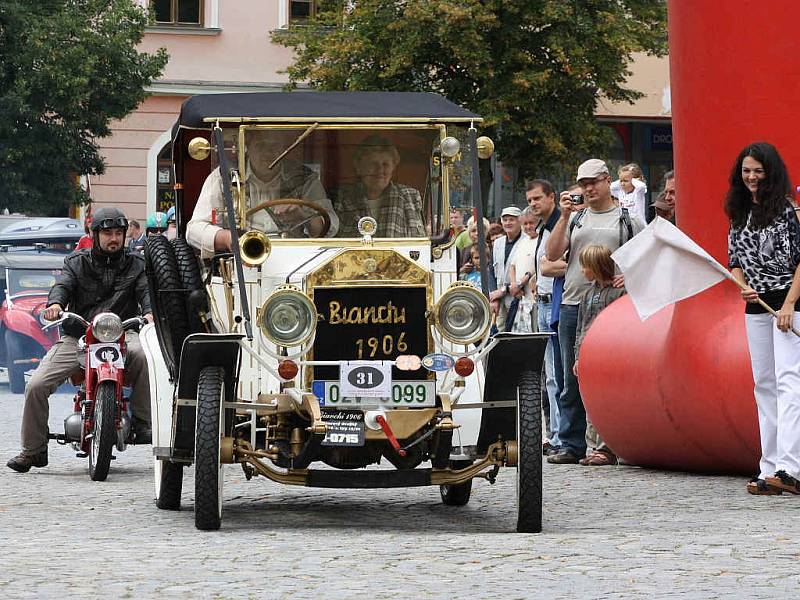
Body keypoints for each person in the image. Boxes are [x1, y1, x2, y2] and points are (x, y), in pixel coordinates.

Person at [7, 208, 154, 473]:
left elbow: (145, 291)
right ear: (94, 234)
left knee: (145, 355)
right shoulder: (77, 262)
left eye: (118, 233)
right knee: (36, 385)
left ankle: (143, 422)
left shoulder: (136, 263)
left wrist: (149, 312)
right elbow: (63, 285)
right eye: (107, 233)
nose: (114, 238)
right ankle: (33, 450)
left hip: (122, 333)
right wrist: (54, 304)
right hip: (79, 336)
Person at [545, 158, 644, 464]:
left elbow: (645, 256)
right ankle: (571, 443)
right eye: (583, 184)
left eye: (593, 182)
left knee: (608, 377)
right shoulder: (576, 218)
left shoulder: (627, 218)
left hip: (611, 306)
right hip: (574, 302)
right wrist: (562, 217)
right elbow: (550, 254)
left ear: (606, 180)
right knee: (569, 379)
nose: (588, 188)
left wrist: (630, 274)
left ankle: (607, 444)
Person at [725, 142, 800, 495]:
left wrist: (789, 304)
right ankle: (769, 467)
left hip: (789, 303)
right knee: (764, 385)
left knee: (790, 383)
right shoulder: (739, 213)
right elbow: (734, 259)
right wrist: (742, 286)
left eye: (757, 170)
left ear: (770, 172)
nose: (751, 177)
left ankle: (791, 466)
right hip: (756, 304)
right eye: (746, 171)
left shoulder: (788, 211)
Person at [187, 129, 339, 257]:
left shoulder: (304, 178)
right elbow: (194, 230)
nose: (268, 152)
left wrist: (304, 216)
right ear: (247, 146)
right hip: (241, 263)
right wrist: (228, 238)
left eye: (274, 146)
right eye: (261, 145)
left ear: (284, 148)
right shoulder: (224, 177)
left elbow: (331, 226)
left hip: (296, 260)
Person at [573, 244, 627, 466]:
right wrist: (577, 356)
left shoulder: (620, 293)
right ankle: (592, 446)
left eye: (585, 266)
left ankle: (607, 448)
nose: (582, 270)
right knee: (589, 402)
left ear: (595, 267)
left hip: (610, 355)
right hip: (588, 355)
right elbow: (581, 327)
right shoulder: (587, 294)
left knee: (608, 402)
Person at [527, 178, 564, 454]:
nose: (533, 204)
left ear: (552, 197)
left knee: (557, 374)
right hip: (541, 301)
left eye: (538, 198)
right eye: (530, 200)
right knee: (549, 374)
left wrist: (546, 270)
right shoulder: (543, 228)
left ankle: (560, 436)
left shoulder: (561, 225)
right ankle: (554, 433)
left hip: (556, 303)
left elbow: (564, 262)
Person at [335, 135, 425, 238]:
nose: (380, 170)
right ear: (359, 167)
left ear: (393, 168)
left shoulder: (411, 196)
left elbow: (420, 240)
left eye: (385, 164)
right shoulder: (343, 197)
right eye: (373, 164)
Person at [489, 206, 523, 331]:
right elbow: (491, 271)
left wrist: (504, 290)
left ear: (520, 221)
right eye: (505, 220)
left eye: (512, 219)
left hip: (518, 299)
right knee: (498, 337)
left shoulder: (526, 241)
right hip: (500, 301)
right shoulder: (498, 243)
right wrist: (494, 297)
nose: (508, 223)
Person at [506, 207, 539, 332]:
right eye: (525, 223)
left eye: (531, 223)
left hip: (533, 297)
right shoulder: (522, 242)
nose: (528, 226)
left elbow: (537, 266)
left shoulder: (541, 240)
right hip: (520, 298)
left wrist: (521, 283)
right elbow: (512, 266)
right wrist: (514, 285)